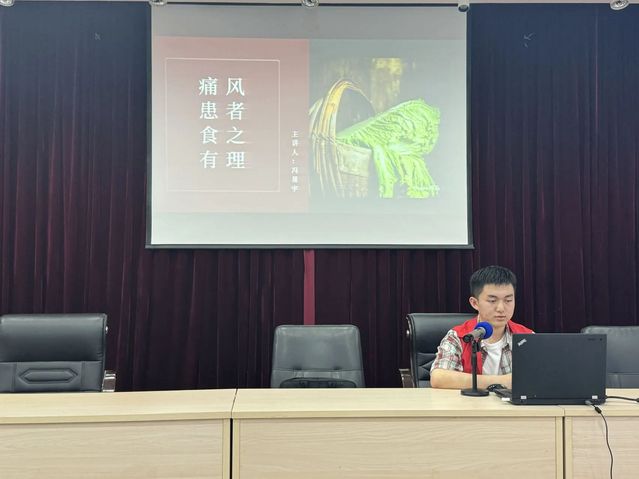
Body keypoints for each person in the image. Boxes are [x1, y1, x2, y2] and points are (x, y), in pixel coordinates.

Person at [430, 265, 533, 390]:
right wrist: (503, 381)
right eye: (492, 301)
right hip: (470, 402)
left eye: (508, 300)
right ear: (475, 303)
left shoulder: (528, 337)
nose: (501, 308)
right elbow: (438, 378)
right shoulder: (459, 336)